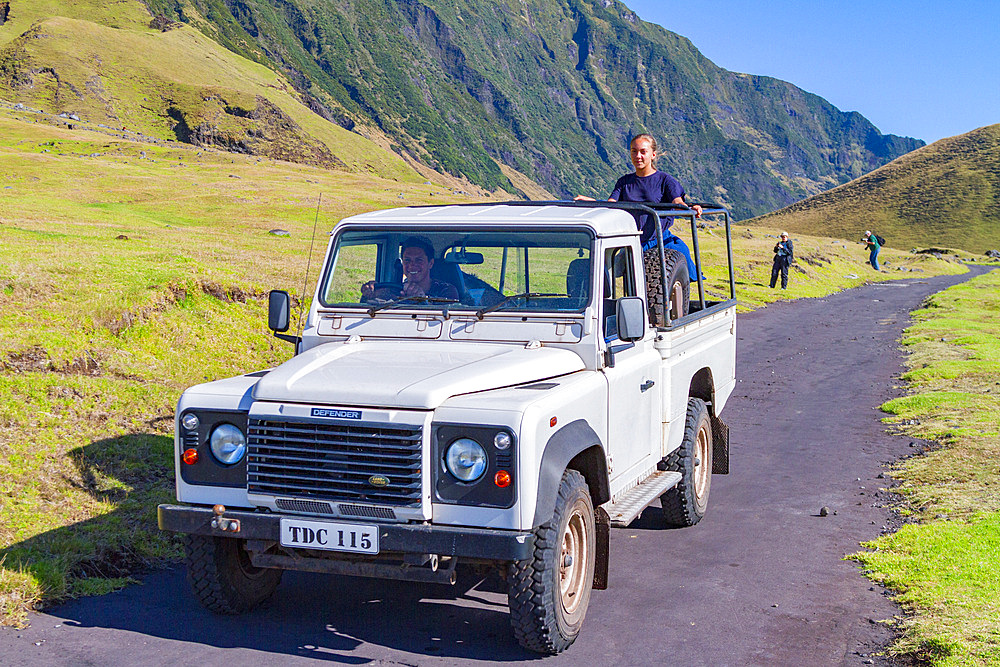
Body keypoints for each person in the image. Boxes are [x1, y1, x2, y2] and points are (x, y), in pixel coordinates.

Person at [576, 134, 702, 276]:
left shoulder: (665, 180)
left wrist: (690, 209)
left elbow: (677, 201)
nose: (638, 156)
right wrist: (592, 202)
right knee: (604, 271)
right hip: (631, 240)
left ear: (653, 154)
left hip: (659, 240)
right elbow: (611, 205)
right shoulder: (624, 182)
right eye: (634, 151)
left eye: (643, 151)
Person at [361, 236, 459, 302]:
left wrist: (422, 299)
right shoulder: (394, 290)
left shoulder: (446, 290)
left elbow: (445, 319)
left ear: (430, 263)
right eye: (407, 260)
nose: (412, 265)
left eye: (419, 260)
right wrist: (370, 292)